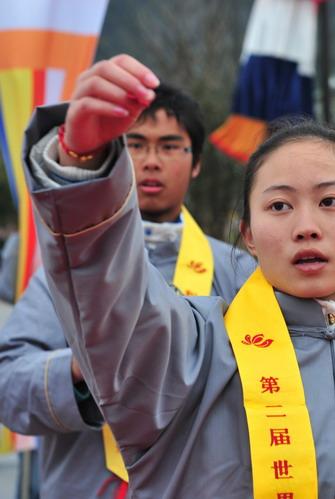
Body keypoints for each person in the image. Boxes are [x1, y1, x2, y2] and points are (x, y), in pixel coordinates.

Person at [23, 55, 335, 498]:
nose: (306, 225)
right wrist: (82, 165)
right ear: (248, 235)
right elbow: (107, 291)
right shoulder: (187, 355)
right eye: (279, 205)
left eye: (330, 201)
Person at [0, 82, 255, 499]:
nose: (151, 161)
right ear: (115, 155)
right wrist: (82, 370)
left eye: (170, 146)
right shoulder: (67, 270)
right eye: (135, 145)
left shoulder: (239, 271)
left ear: (196, 163)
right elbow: (7, 384)